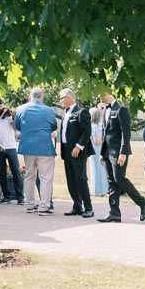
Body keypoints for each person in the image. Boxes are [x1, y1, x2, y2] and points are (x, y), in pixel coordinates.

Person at [98, 92, 145, 223]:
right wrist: (101, 153)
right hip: (107, 152)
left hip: (118, 152)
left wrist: (123, 152)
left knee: (119, 179)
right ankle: (114, 212)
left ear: (110, 93)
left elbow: (125, 132)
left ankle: (143, 203)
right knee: (111, 181)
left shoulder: (121, 110)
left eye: (102, 93)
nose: (99, 96)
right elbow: (104, 132)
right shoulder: (105, 110)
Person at [14, 87, 59, 214]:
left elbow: (17, 126)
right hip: (44, 147)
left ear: (30, 96)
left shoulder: (21, 109)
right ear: (42, 97)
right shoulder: (49, 110)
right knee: (45, 177)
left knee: (29, 176)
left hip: (27, 147)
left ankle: (29, 204)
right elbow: (54, 126)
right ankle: (44, 206)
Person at [58, 88, 93, 217]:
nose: (60, 101)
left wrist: (79, 146)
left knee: (81, 178)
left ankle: (88, 207)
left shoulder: (81, 112)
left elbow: (86, 131)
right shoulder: (66, 113)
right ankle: (77, 205)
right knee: (71, 179)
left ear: (69, 98)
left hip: (78, 151)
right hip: (67, 151)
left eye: (61, 98)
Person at [0, 100, 23, 204]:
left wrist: (14, 117)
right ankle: (7, 196)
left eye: (1, 103)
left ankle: (20, 197)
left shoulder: (8, 116)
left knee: (16, 172)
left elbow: (15, 128)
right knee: (2, 173)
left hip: (10, 147)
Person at [89, 105, 110, 198]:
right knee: (100, 171)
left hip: (94, 151)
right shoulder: (96, 127)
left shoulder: (92, 126)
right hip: (98, 150)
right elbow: (98, 141)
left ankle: (96, 189)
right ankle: (101, 190)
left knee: (95, 171)